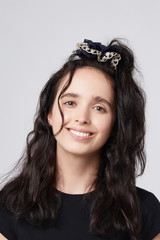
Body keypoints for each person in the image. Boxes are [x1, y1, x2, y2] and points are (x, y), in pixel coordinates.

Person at [0, 39, 160, 240]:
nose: (82, 118)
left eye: (99, 108)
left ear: (115, 124)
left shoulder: (145, 210)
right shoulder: (10, 205)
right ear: (49, 113)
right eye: (70, 102)